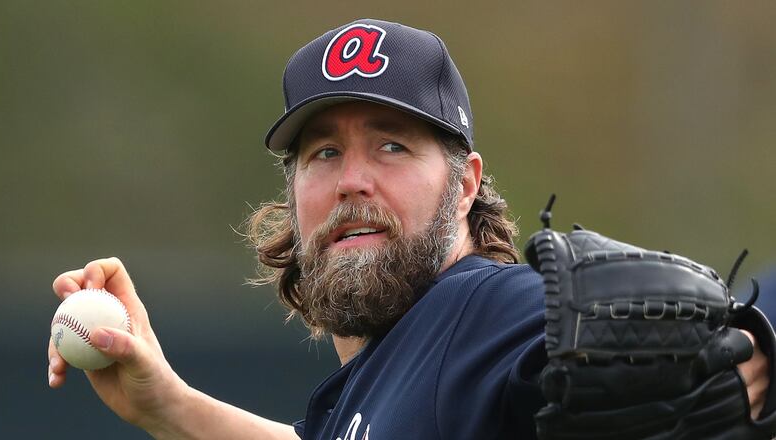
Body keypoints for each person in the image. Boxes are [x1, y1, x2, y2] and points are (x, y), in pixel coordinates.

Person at [47, 19, 772, 439]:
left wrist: (758, 352)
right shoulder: (374, 385)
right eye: (323, 152)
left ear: (464, 186)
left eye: (392, 145)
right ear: (294, 193)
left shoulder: (483, 312)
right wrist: (166, 402)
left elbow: (706, 358)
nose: (353, 178)